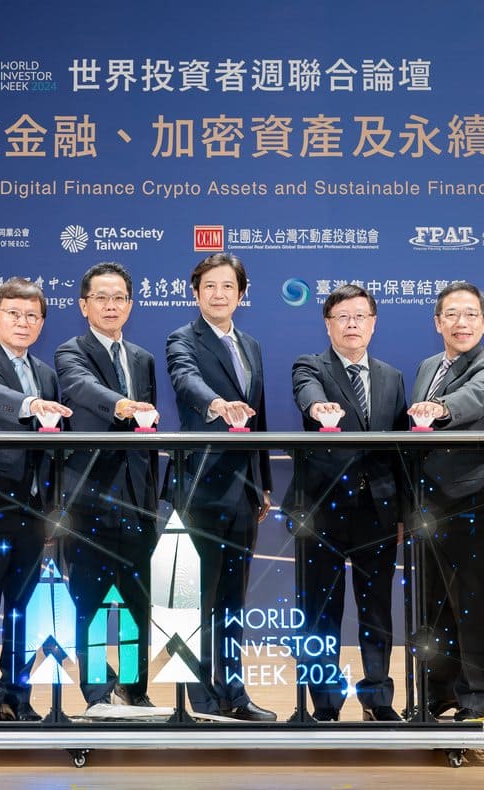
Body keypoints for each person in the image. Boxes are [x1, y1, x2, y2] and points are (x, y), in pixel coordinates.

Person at [282, 284, 408, 722]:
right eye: (343, 317)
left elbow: (399, 450)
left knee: (377, 611)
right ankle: (324, 705)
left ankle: (378, 699)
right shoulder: (310, 365)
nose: (352, 324)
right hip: (321, 510)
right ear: (328, 324)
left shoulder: (391, 376)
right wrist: (320, 410)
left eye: (360, 316)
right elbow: (308, 394)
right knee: (320, 612)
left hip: (378, 511)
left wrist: (402, 512)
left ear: (374, 323)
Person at [0, 277, 72, 722]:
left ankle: (18, 697)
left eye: (32, 316)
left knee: (24, 610)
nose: (23, 323)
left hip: (32, 507)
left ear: (41, 323)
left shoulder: (46, 372)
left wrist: (52, 507)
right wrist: (31, 405)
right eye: (13, 314)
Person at [165, 252, 276, 722]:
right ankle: (200, 701)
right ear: (195, 293)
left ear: (241, 294)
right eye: (209, 286)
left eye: (228, 286)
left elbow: (259, 416)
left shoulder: (250, 344)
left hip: (244, 489)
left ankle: (234, 694)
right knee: (196, 600)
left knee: (233, 601)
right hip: (200, 487)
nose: (218, 294)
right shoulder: (181, 339)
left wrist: (264, 482)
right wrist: (218, 405)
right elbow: (185, 381)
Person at [55, 262, 159, 709]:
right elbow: (81, 388)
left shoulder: (142, 358)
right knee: (92, 603)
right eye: (101, 297)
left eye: (119, 298)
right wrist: (122, 404)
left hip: (137, 499)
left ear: (130, 304)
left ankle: (134, 689)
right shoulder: (70, 352)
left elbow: (149, 435)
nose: (111, 305)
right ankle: (97, 693)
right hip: (89, 497)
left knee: (138, 603)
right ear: (84, 305)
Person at [405, 280, 484, 722]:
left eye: (470, 314)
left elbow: (478, 398)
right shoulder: (428, 365)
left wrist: (440, 408)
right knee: (433, 605)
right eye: (451, 314)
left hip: (475, 501)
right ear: (437, 322)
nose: (460, 322)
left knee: (472, 604)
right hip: (429, 503)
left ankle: (476, 697)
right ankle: (436, 692)